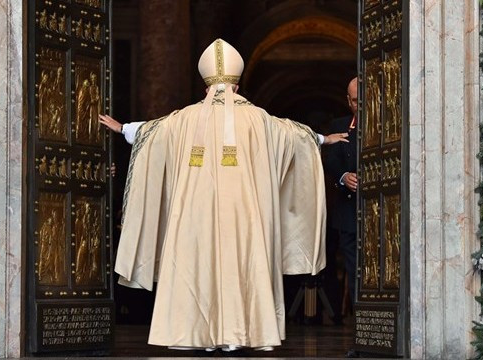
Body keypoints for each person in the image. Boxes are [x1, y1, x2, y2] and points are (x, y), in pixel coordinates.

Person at [99, 39, 348, 352]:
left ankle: (189, 334)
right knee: (242, 263)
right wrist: (324, 138)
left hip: (193, 217)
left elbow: (150, 132)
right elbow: (297, 136)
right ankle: (239, 335)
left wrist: (123, 128)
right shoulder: (260, 119)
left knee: (195, 263)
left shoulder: (182, 119)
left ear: (205, 88)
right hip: (245, 216)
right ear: (238, 85)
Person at [326, 77, 358, 307]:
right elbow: (331, 162)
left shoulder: (389, 123)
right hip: (349, 213)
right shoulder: (340, 126)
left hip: (385, 210)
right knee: (354, 268)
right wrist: (343, 177)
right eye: (357, 101)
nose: (361, 105)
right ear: (348, 101)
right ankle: (362, 327)